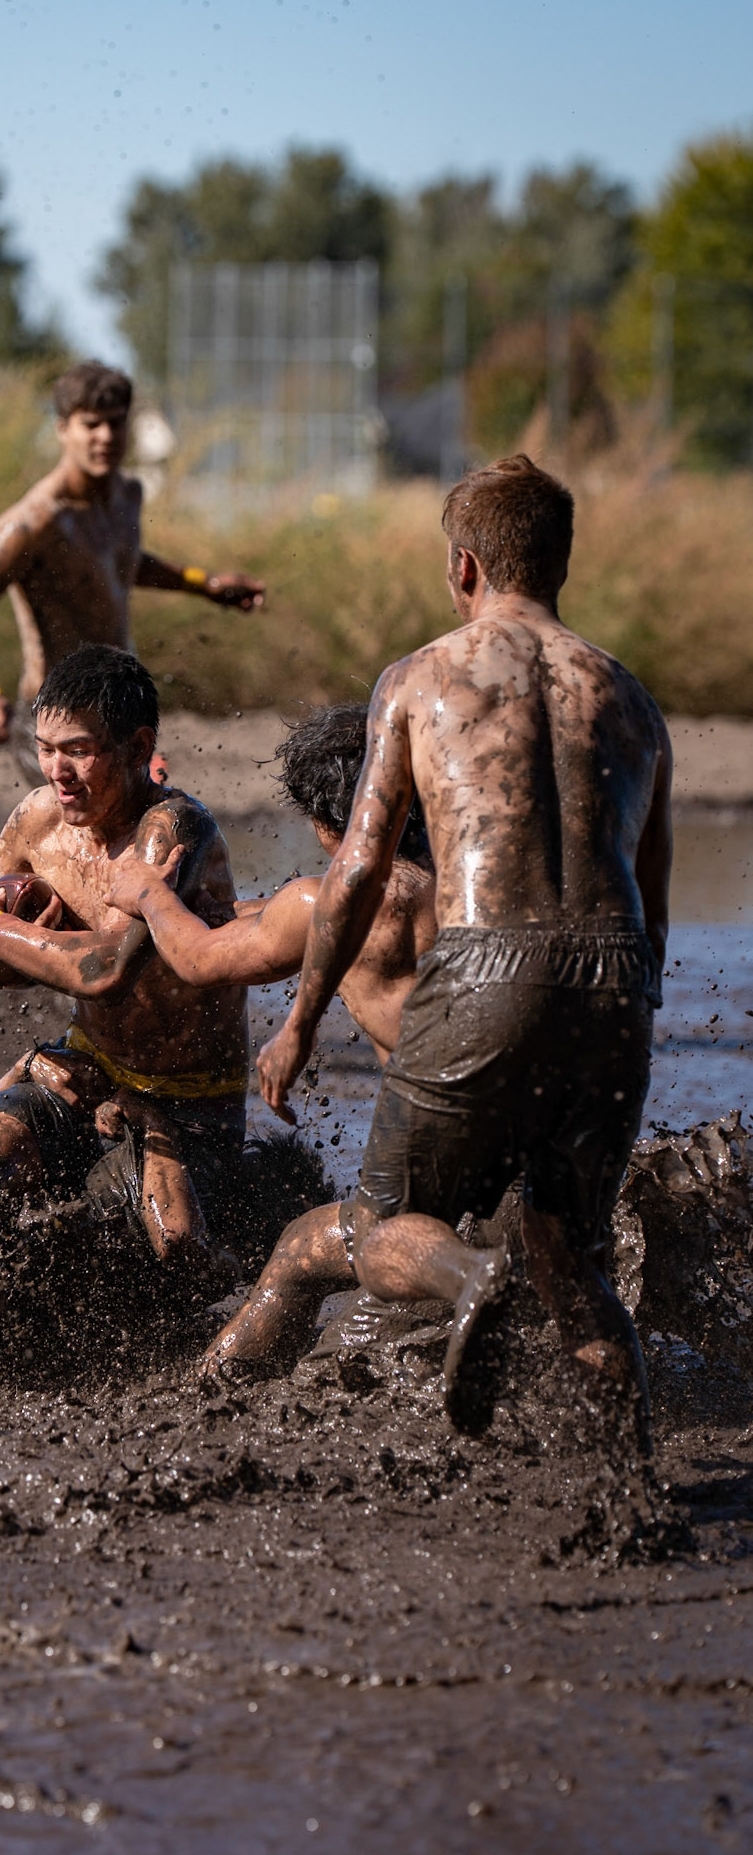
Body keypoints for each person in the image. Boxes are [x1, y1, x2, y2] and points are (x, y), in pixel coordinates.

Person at [256, 454, 672, 1442]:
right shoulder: (630, 698)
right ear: (559, 564)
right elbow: (652, 905)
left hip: (488, 961)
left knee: (376, 1227)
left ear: (464, 566)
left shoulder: (419, 678)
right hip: (617, 981)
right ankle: (631, 1484)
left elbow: (360, 867)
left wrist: (300, 1021)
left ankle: (470, 1277)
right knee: (574, 1263)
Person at [0, 644, 251, 1334]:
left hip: (189, 1110)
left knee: (35, 1282)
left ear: (138, 748)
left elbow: (106, 968)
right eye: (44, 750)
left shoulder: (172, 833)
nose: (57, 772)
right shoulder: (37, 820)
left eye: (79, 751)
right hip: (76, 1070)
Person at [108, 703, 438, 1379]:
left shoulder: (332, 901)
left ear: (328, 821)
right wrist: (231, 911)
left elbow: (197, 959)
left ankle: (217, 1395)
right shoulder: (473, 877)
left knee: (297, 1252)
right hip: (539, 1140)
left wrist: (147, 894)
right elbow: (287, 912)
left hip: (444, 1172)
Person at [0, 360, 265, 785]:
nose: (106, 436)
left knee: (148, 819)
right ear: (62, 428)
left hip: (120, 708)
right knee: (94, 825)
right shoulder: (35, 522)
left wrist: (205, 584)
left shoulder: (127, 496)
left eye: (115, 423)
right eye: (91, 424)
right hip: (56, 716)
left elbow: (122, 562)